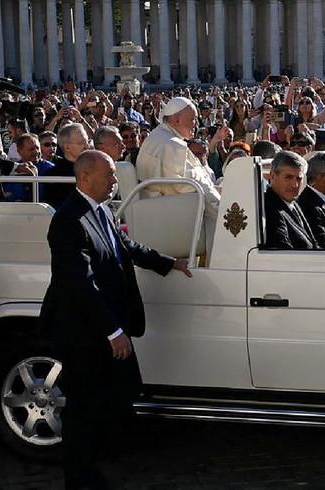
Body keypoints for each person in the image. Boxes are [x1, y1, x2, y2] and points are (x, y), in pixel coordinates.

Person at [39, 150, 192, 489]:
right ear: (85, 178)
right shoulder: (68, 220)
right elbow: (81, 284)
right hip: (82, 331)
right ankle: (79, 477)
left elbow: (126, 247)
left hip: (102, 325)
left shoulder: (101, 210)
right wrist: (113, 332)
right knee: (81, 407)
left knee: (114, 395)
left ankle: (99, 459)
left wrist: (168, 262)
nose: (113, 181)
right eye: (108, 175)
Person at [136, 97, 221, 221]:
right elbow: (187, 186)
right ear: (177, 120)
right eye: (193, 119)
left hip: (156, 207)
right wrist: (220, 205)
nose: (196, 124)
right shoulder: (171, 144)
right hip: (170, 214)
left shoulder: (158, 136)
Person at [263, 151, 317, 249]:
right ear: (273, 176)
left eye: (298, 179)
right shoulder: (268, 207)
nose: (295, 185)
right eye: (288, 177)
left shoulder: (293, 203)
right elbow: (283, 252)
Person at [44, 123, 91, 209]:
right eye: (82, 143)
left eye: (87, 142)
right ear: (67, 147)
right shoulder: (52, 176)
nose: (87, 146)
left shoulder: (95, 169)